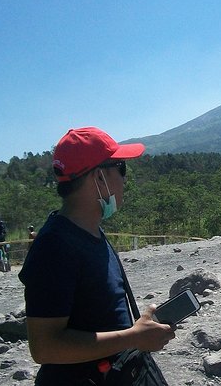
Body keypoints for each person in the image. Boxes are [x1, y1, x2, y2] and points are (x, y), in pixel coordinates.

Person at [18, 126, 175, 384]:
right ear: (98, 177)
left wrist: (142, 329)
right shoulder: (54, 247)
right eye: (121, 168)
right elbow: (44, 346)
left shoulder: (89, 232)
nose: (125, 179)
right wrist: (134, 338)